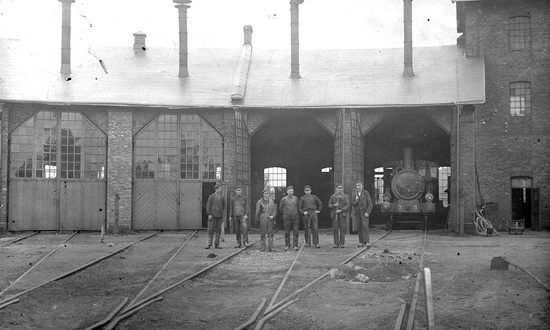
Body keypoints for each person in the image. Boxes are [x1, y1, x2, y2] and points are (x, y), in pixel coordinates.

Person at [351, 181, 373, 247]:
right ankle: (361, 241)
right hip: (358, 212)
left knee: (365, 226)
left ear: (362, 186)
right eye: (357, 185)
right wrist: (356, 201)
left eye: (359, 185)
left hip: (364, 212)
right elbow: (352, 203)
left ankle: (366, 241)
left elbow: (370, 203)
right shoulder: (355, 194)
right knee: (359, 226)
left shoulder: (366, 193)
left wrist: (368, 212)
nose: (358, 187)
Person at [328, 184, 350, 248]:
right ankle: (336, 243)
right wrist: (334, 205)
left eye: (341, 188)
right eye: (338, 188)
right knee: (335, 229)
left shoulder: (345, 197)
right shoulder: (333, 196)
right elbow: (329, 204)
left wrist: (341, 210)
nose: (339, 190)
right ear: (336, 189)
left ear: (342, 189)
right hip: (335, 214)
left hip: (342, 214)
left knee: (342, 229)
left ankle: (342, 243)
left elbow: (347, 204)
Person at [279, 185, 300, 251]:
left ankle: (295, 245)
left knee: (296, 231)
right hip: (287, 218)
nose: (291, 192)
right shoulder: (284, 199)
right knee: (287, 232)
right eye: (290, 191)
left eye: (292, 191)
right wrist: (286, 213)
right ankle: (287, 245)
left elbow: (298, 207)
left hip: (295, 217)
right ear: (287, 192)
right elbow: (280, 208)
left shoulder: (296, 198)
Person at [205, 182, 225, 249]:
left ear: (221, 189)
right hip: (212, 216)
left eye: (219, 188)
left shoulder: (222, 197)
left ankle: (217, 244)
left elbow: (223, 206)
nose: (218, 190)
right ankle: (209, 244)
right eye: (217, 188)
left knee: (218, 230)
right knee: (210, 230)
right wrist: (209, 214)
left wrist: (221, 212)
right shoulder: (211, 197)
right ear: (215, 189)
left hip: (219, 216)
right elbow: (208, 206)